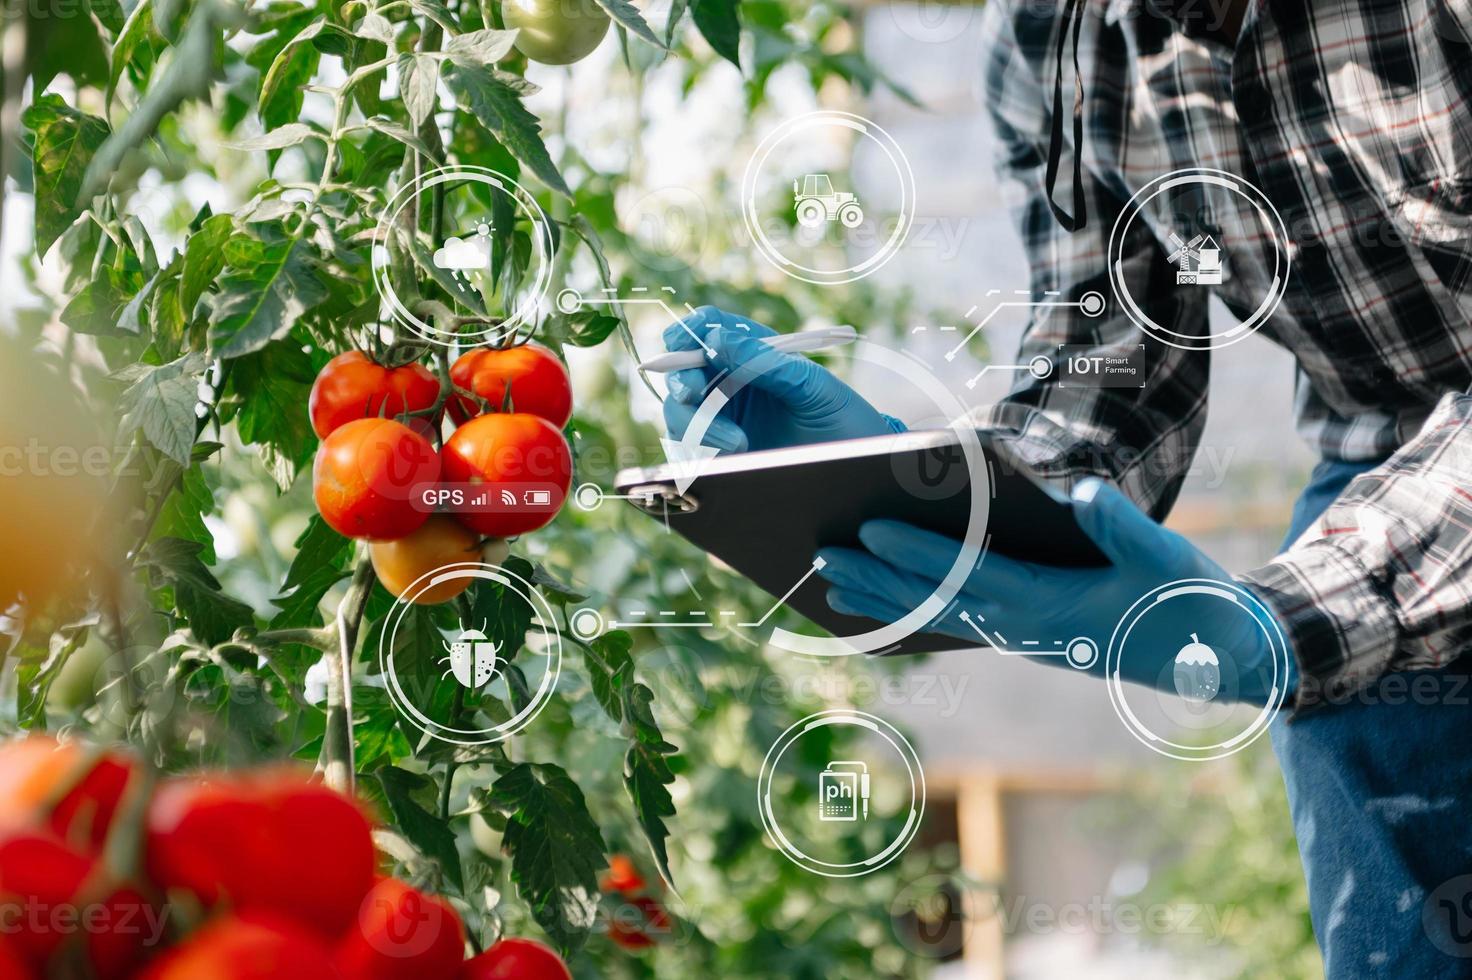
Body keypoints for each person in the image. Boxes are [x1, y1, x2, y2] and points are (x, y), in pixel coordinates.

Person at [660, 0, 1472, 974]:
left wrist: (1288, 617)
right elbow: (1113, 359)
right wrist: (928, 494)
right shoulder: (1056, 36)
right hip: (1375, 477)